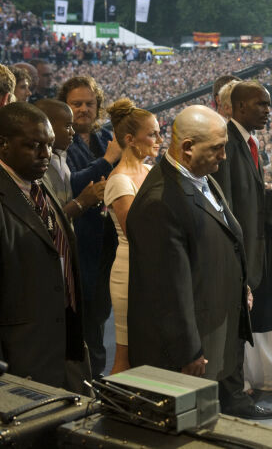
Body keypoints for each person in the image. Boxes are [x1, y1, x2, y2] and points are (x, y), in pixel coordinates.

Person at [127, 105, 253, 389]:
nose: (224, 155)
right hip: (185, 353)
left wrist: (239, 284)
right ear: (187, 148)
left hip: (212, 326)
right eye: (218, 148)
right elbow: (167, 289)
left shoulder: (199, 177)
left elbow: (219, 239)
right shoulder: (160, 203)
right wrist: (189, 350)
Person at [211, 80, 272, 418]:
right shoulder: (228, 143)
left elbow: (246, 197)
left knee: (238, 328)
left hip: (250, 252)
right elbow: (227, 204)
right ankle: (233, 399)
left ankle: (234, 392)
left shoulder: (248, 141)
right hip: (237, 255)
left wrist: (269, 197)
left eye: (268, 104)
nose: (267, 110)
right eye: (261, 104)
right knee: (233, 330)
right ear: (238, 106)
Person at [0, 102, 87, 392]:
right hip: (21, 358)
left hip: (63, 347)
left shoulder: (36, 183)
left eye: (49, 146)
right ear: (3, 145)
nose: (45, 155)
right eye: (34, 145)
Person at [58, 75, 121, 377]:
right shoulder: (60, 141)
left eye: (89, 103)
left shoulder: (103, 137)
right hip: (80, 247)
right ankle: (88, 384)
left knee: (99, 316)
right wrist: (107, 161)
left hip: (108, 244)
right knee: (87, 326)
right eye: (76, 104)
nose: (83, 109)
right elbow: (71, 184)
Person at [103, 99, 163, 374]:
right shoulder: (119, 180)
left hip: (153, 268)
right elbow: (137, 232)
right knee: (126, 354)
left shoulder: (150, 171)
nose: (159, 139)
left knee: (150, 349)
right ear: (130, 139)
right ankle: (114, 410)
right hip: (130, 272)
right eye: (152, 133)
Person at [35, 99, 104, 220]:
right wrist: (82, 201)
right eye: (68, 126)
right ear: (48, 126)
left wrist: (90, 197)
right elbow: (48, 222)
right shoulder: (38, 166)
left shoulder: (61, 157)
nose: (72, 132)